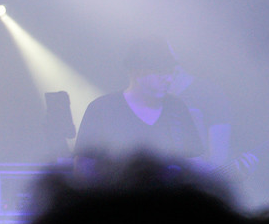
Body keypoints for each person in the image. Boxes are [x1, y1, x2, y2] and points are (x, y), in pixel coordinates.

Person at [73, 36, 204, 176]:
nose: (169, 79)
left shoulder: (177, 108)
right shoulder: (101, 109)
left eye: (171, 72)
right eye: (161, 72)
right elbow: (83, 168)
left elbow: (194, 163)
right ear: (136, 72)